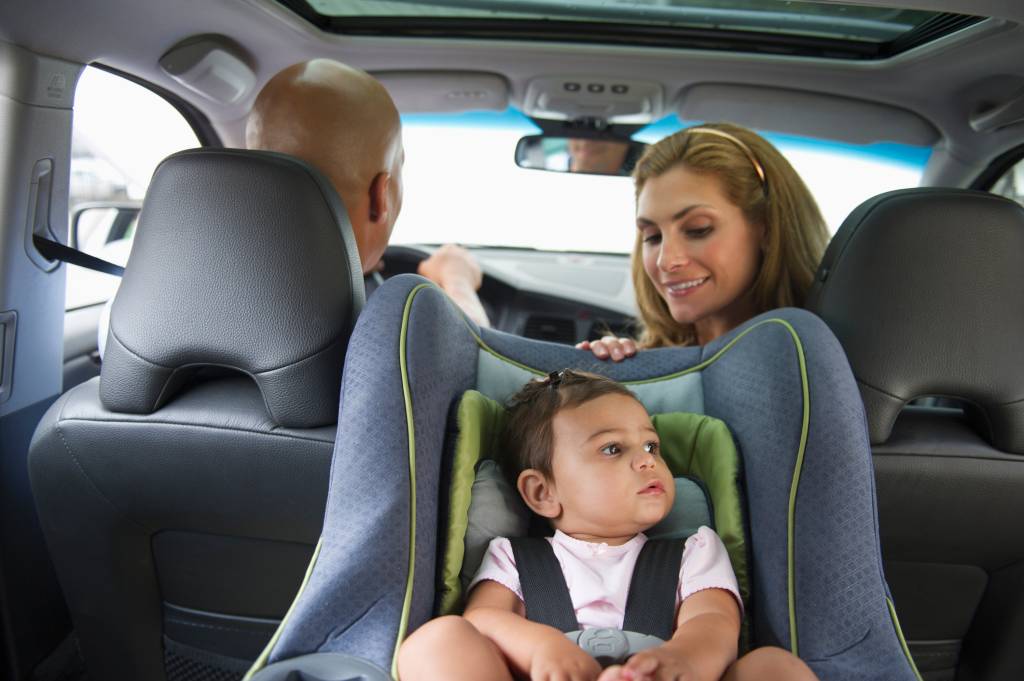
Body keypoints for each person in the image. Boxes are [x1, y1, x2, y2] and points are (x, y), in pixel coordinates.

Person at [397, 370, 818, 681]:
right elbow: (484, 619)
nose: (647, 459)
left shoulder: (695, 551)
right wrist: (542, 648)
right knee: (441, 639)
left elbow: (715, 622)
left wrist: (684, 659)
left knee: (774, 668)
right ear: (543, 492)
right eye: (612, 448)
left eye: (651, 444)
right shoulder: (513, 557)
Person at [246, 59, 490, 327]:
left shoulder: (206, 294)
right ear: (380, 196)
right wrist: (458, 281)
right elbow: (481, 354)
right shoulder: (392, 335)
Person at [577, 123, 828, 361]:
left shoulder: (814, 364)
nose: (667, 261)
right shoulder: (650, 366)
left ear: (768, 229)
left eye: (698, 230)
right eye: (653, 236)